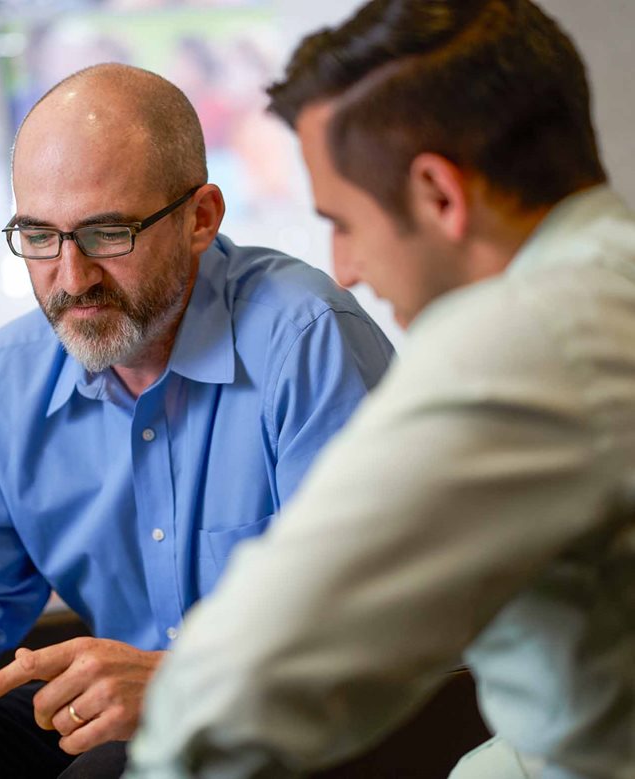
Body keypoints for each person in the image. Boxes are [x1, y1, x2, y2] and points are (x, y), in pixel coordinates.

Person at [0, 63, 394, 779]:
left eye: (107, 232)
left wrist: (180, 678)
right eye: (38, 235)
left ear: (201, 218)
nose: (70, 276)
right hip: (115, 720)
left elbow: (376, 611)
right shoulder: (5, 379)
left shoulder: (307, 339)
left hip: (289, 718)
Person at [125, 1, 635, 777]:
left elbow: (243, 681)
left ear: (439, 195)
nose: (345, 268)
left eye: (345, 222)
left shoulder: (517, 342)